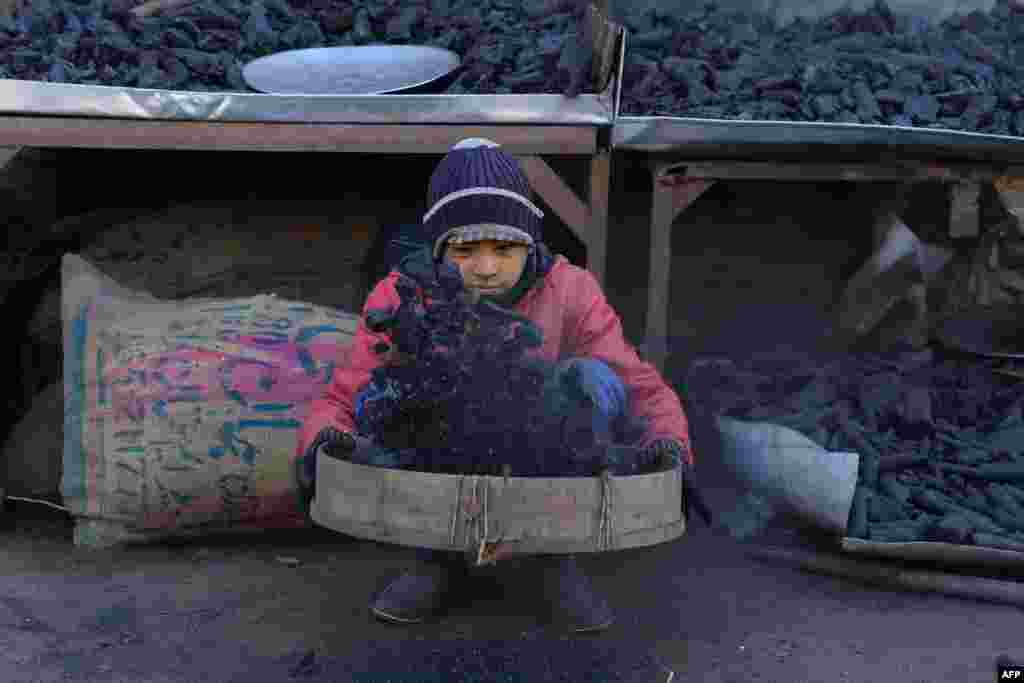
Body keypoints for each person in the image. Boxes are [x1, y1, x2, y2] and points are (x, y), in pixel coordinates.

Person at [295, 138, 706, 633]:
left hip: (544, 455)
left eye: (505, 248)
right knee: (385, 399)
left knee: (592, 380)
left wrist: (669, 445)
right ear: (440, 249)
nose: (487, 268)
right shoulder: (403, 295)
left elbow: (640, 387)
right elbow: (346, 394)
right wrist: (322, 440)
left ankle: (552, 558)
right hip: (440, 451)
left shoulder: (570, 290)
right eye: (466, 249)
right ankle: (436, 557)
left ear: (529, 244)